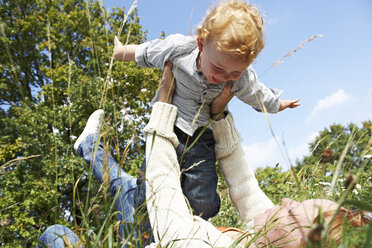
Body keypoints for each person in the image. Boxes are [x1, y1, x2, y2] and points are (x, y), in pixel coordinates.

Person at [38, 64, 369, 247]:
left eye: (296, 210)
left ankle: (90, 147)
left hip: (156, 233)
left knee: (56, 236)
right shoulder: (266, 240)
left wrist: (162, 110)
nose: (287, 201)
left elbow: (165, 197)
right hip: (153, 228)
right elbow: (244, 186)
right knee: (133, 191)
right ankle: (90, 147)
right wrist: (220, 117)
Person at [114, 0, 300, 220]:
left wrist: (278, 104)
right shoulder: (180, 49)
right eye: (218, 68)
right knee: (149, 192)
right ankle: (137, 197)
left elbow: (257, 94)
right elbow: (148, 51)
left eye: (234, 73)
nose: (223, 77)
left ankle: (192, 229)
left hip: (201, 136)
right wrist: (120, 52)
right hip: (168, 128)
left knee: (205, 203)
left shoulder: (242, 76)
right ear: (202, 44)